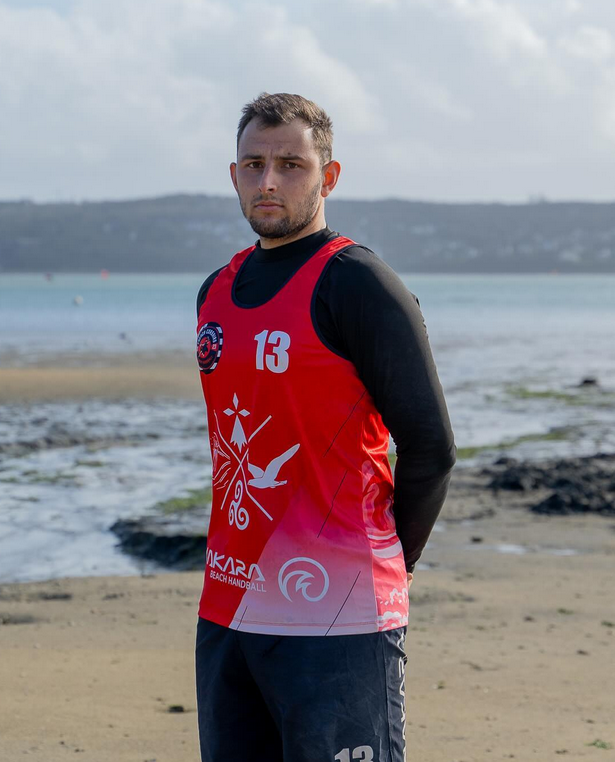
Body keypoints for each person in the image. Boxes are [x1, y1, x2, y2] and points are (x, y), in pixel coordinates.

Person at [195, 92, 455, 762]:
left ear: (328, 177)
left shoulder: (357, 282)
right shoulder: (214, 292)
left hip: (339, 614)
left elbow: (431, 449)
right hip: (228, 608)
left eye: (291, 164)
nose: (270, 180)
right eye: (253, 164)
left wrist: (392, 563)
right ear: (234, 176)